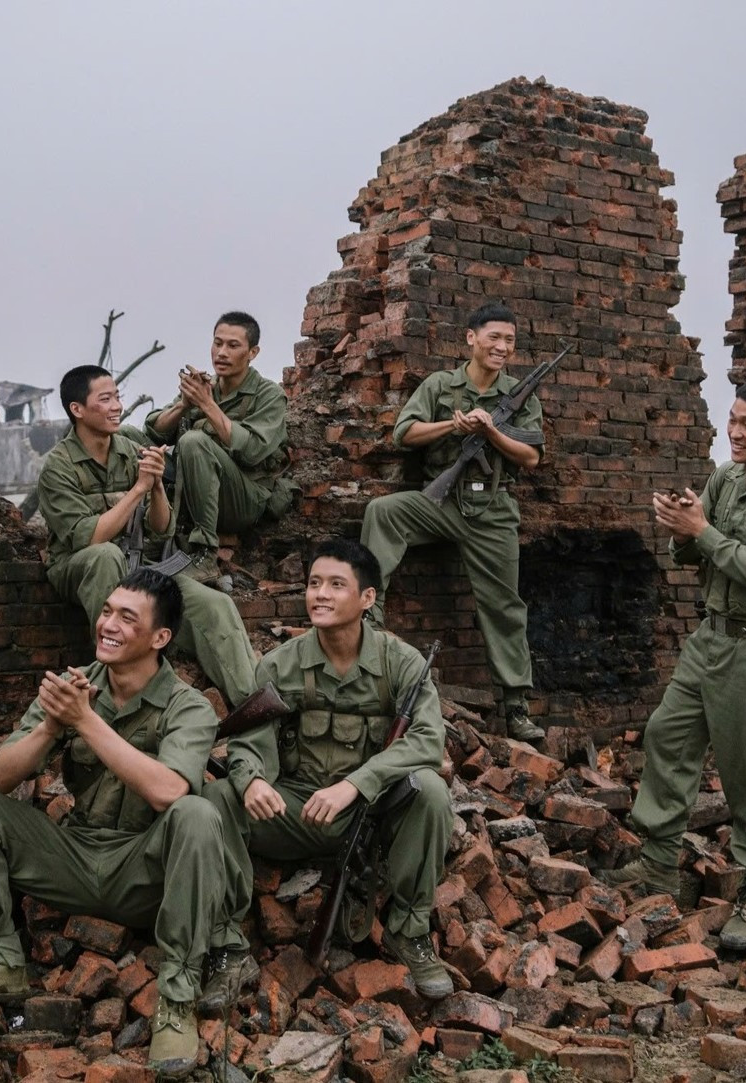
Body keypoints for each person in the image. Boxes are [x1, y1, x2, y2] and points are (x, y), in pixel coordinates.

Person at [0, 569, 225, 1079]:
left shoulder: (189, 707)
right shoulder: (74, 688)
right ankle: (3, 960)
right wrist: (53, 724)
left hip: (146, 873)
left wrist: (86, 721)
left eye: (127, 618)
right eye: (107, 611)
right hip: (72, 859)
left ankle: (177, 999)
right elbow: (1, 778)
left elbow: (168, 791)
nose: (108, 625)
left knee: (197, 814)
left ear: (160, 637)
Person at [601, 377, 746, 951]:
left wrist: (702, 532)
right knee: (667, 736)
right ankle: (658, 862)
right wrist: (682, 526)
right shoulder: (725, 478)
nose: (735, 431)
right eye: (732, 419)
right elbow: (691, 556)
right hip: (710, 638)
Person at [200, 539, 454, 1013]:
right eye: (314, 583)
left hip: (372, 815)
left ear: (367, 598)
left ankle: (409, 930)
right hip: (297, 811)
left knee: (432, 792)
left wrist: (355, 784)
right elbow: (250, 739)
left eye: (337, 585)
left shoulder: (401, 663)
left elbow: (427, 741)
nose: (320, 594)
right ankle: (226, 946)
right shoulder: (281, 664)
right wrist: (252, 779)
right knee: (214, 802)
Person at [360, 303, 546, 743]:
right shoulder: (441, 385)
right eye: (494, 337)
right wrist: (453, 426)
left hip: (493, 512)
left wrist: (491, 433)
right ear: (471, 338)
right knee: (382, 512)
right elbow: (404, 433)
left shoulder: (520, 394)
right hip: (441, 502)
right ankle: (368, 614)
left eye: (510, 340)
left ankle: (516, 706)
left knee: (504, 607)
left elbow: (532, 457)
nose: (502, 347)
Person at [39, 364, 257, 707]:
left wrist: (155, 487)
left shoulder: (129, 449)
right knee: (105, 556)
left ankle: (252, 704)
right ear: (77, 409)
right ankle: (115, 686)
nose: (116, 407)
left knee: (216, 606)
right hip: (80, 566)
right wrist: (139, 488)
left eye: (117, 397)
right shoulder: (59, 466)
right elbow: (89, 538)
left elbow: (161, 528)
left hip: (139, 567)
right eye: (105, 399)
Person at [144, 311, 290, 585]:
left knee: (193, 441)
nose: (221, 353)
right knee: (126, 438)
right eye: (217, 343)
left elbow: (252, 451)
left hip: (243, 498)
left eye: (233, 345)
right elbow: (153, 431)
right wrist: (184, 405)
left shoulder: (268, 395)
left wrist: (207, 405)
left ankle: (205, 554)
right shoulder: (205, 385)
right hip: (193, 491)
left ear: (252, 352)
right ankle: (146, 535)